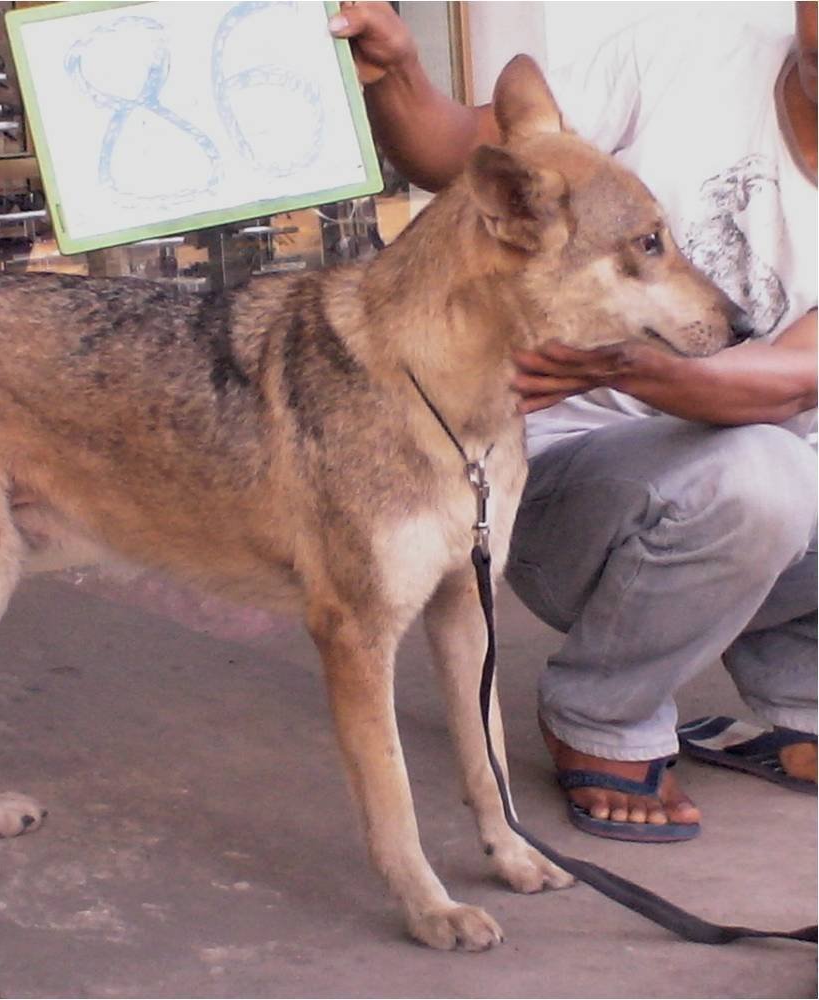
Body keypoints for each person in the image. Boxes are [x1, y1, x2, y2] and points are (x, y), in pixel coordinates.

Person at [330, 1, 818, 841]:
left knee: (770, 460)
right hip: (563, 474)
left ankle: (798, 684)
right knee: (762, 477)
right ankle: (603, 714)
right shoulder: (686, 51)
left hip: (746, 474)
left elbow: (793, 381)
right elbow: (469, 164)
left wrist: (624, 354)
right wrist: (401, 73)